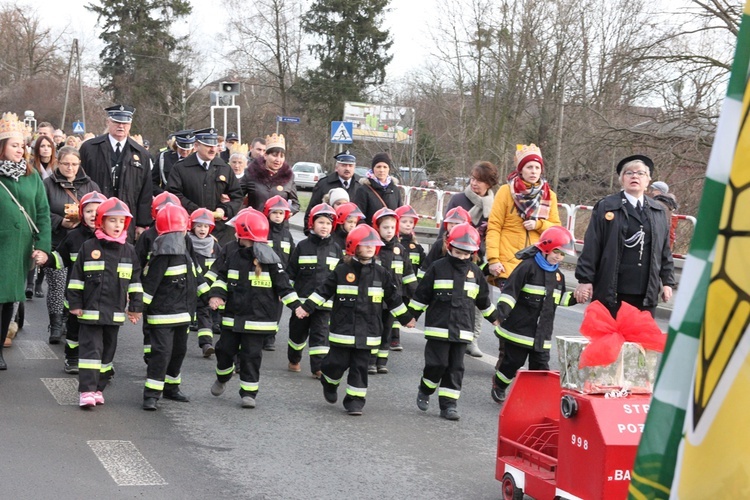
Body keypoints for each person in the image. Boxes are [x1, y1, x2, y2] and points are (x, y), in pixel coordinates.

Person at [299, 225, 415, 416]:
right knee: (335, 364)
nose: (370, 248)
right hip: (342, 331)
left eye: (373, 245)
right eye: (365, 245)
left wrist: (406, 318)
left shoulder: (381, 273)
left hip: (368, 332)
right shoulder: (342, 270)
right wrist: (306, 307)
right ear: (354, 246)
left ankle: (355, 401)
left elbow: (393, 298)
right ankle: (329, 381)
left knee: (360, 368)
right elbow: (324, 291)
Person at [208, 209, 303, 409]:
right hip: (233, 317)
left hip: (258, 320)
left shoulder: (271, 260)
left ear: (245, 233)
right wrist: (216, 295)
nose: (234, 234)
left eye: (237, 230)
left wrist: (297, 307)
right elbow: (222, 278)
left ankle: (249, 393)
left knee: (251, 357)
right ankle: (223, 376)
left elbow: (284, 286)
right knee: (224, 350)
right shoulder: (233, 255)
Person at [410, 223, 499, 420]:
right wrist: (411, 317)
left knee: (455, 369)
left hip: (462, 330)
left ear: (473, 253)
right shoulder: (437, 268)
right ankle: (426, 387)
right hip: (438, 328)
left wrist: (495, 318)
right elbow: (422, 295)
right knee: (437, 364)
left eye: (466, 254)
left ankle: (449, 405)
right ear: (449, 246)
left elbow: (483, 299)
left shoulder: (475, 272)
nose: (461, 257)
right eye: (458, 252)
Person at [574, 154, 675, 317]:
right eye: (629, 173)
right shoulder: (607, 206)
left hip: (644, 293)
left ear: (648, 180)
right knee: (609, 340)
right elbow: (592, 245)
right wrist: (585, 280)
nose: (635, 176)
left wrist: (667, 282)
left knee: (638, 341)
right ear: (622, 179)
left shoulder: (658, 211)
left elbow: (664, 250)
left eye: (640, 173)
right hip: (612, 290)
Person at [67, 197, 143, 407]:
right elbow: (76, 278)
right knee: (91, 352)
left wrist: (135, 308)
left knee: (107, 354)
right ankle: (86, 391)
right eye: (112, 221)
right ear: (101, 221)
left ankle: (99, 388)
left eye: (121, 221)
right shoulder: (88, 247)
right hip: (90, 314)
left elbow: (135, 282)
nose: (117, 225)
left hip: (114, 314)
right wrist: (74, 304)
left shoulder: (129, 251)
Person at [491, 226, 578, 404]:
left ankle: (535, 401)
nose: (558, 257)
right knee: (512, 363)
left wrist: (576, 297)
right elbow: (510, 292)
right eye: (556, 252)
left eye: (562, 254)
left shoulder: (558, 276)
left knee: (540, 369)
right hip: (518, 330)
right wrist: (501, 314)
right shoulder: (527, 267)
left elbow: (559, 299)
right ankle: (499, 384)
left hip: (542, 334)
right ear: (545, 248)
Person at [141, 204, 210, 411]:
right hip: (162, 315)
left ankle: (171, 387)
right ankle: (151, 394)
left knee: (179, 351)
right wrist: (138, 307)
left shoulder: (186, 245)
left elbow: (195, 274)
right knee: (161, 353)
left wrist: (208, 295)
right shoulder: (162, 254)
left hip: (183, 313)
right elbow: (150, 284)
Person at [0, 112, 52, 370]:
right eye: (14, 145)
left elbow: (42, 213)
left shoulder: (32, 177)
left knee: (9, 297)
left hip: (18, 248)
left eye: (22, 145)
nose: (20, 150)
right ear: (2, 147)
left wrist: (43, 246)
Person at [441, 161, 499, 358]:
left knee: (482, 297)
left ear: (489, 183)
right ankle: (447, 334)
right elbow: (445, 228)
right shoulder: (459, 199)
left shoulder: (496, 204)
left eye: (480, 180)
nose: (474, 183)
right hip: (456, 255)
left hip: (480, 259)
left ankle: (472, 339)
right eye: (473, 179)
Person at [43, 146, 100, 344]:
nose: (70, 168)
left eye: (74, 164)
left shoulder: (90, 185)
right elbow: (41, 211)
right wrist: (60, 221)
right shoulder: (48, 184)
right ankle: (56, 323)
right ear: (58, 163)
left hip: (83, 242)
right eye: (66, 164)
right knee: (58, 285)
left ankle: (71, 319)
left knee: (78, 284)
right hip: (57, 240)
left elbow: (101, 209)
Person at [46, 191, 108, 374]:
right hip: (76, 295)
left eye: (97, 212)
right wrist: (44, 259)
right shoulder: (73, 237)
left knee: (102, 332)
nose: (93, 215)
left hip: (103, 297)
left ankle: (101, 365)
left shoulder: (112, 239)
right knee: (74, 331)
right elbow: (59, 258)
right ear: (81, 213)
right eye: (88, 211)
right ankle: (72, 358)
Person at [486, 144, 561, 286]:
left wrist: (538, 224)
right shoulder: (506, 191)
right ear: (521, 170)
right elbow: (494, 227)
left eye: (537, 168)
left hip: (536, 263)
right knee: (508, 306)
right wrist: (493, 260)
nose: (533, 171)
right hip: (507, 262)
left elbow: (556, 230)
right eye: (529, 167)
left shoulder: (549, 195)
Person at [78, 104, 153, 241]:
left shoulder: (141, 154)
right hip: (95, 219)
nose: (121, 126)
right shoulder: (90, 148)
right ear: (108, 122)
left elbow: (145, 192)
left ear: (130, 125)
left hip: (125, 221)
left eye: (125, 123)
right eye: (117, 122)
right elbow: (80, 183)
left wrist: (142, 224)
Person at [287, 203, 340, 377]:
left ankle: (318, 367)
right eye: (321, 222)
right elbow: (291, 272)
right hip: (301, 304)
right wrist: (286, 294)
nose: (324, 226)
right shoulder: (302, 246)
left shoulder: (336, 250)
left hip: (325, 304)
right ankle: (294, 358)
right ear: (312, 224)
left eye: (328, 223)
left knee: (321, 334)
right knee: (297, 334)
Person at [167, 127, 244, 245]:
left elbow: (237, 196)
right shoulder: (181, 168)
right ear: (196, 146)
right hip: (190, 229)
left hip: (220, 231)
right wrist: (196, 211)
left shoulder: (224, 168)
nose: (213, 149)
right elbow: (173, 195)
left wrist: (224, 209)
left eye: (214, 145)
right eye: (208, 145)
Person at [369, 207, 417, 374]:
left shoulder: (400, 250)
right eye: (385, 228)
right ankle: (370, 361)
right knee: (373, 329)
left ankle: (382, 361)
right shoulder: (373, 248)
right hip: (373, 299)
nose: (389, 231)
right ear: (377, 228)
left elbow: (408, 274)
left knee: (387, 330)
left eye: (391, 227)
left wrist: (415, 296)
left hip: (393, 300)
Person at [262, 195, 296, 351]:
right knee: (262, 304)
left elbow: (292, 258)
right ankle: (260, 334)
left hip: (281, 278)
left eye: (281, 213)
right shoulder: (263, 231)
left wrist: (288, 278)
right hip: (262, 276)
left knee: (276, 309)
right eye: (274, 212)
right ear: (267, 213)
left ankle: (270, 337)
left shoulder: (287, 235)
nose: (277, 216)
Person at [189, 208, 222, 358]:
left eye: (206, 226)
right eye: (199, 225)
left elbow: (221, 265)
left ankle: (206, 344)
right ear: (192, 226)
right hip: (188, 288)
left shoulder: (214, 246)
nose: (202, 229)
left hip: (206, 289)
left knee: (204, 315)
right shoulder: (186, 243)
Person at [393, 204, 425, 350]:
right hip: (396, 285)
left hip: (409, 286)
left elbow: (424, 265)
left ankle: (394, 336)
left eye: (410, 222)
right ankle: (394, 338)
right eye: (404, 221)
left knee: (403, 310)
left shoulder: (416, 247)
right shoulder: (394, 244)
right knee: (393, 312)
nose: (408, 225)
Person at [242, 133, 299, 215]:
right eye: (274, 155)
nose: (278, 160)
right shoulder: (251, 173)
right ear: (265, 155)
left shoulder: (288, 177)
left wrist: (287, 212)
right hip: (256, 223)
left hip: (279, 225)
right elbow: (237, 196)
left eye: (281, 156)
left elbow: (295, 204)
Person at [304, 150, 360, 233]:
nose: (347, 168)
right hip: (328, 235)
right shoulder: (324, 184)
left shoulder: (359, 186)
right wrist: (309, 231)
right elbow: (312, 209)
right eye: (344, 165)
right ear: (336, 167)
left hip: (350, 235)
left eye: (350, 166)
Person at [353, 152, 402, 225]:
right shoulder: (363, 190)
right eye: (378, 167)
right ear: (373, 169)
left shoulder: (395, 190)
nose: (382, 170)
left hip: (390, 233)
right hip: (371, 234)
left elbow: (399, 213)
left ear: (389, 169)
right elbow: (359, 216)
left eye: (385, 167)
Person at [153, 130, 195, 195]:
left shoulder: (197, 159)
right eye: (182, 148)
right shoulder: (164, 157)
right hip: (168, 200)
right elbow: (152, 182)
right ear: (176, 144)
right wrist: (163, 194)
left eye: (187, 148)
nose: (185, 151)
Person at [649, 181, 679, 250]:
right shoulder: (668, 203)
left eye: (654, 190)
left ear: (659, 191)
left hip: (657, 236)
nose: (652, 192)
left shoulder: (658, 204)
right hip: (664, 235)